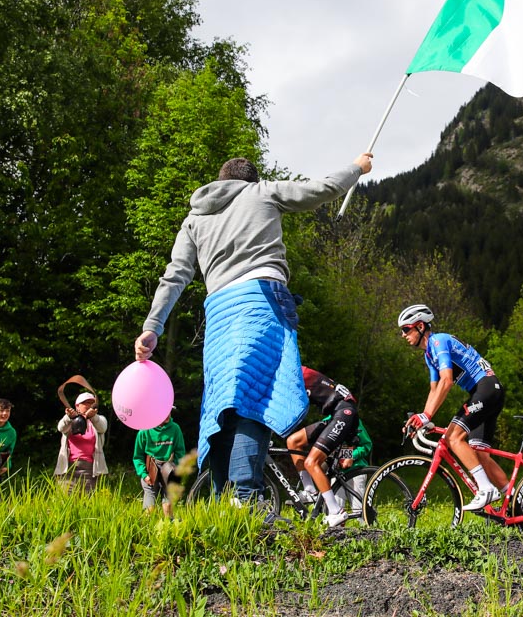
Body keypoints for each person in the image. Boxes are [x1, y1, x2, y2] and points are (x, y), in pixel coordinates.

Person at [134, 153, 373, 503]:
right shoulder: (260, 192)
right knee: (256, 399)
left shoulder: (195, 218)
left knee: (223, 407)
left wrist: (152, 326)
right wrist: (357, 169)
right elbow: (321, 189)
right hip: (261, 301)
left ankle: (223, 501)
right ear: (248, 179)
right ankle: (247, 497)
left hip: (218, 315)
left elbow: (175, 275)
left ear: (220, 180)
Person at [397, 303, 508, 511]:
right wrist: (424, 417)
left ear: (420, 326)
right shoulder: (429, 354)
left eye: (406, 329)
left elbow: (446, 381)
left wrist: (427, 415)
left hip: (485, 388)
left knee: (453, 437)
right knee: (479, 453)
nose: (403, 335)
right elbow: (434, 389)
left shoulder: (438, 342)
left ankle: (485, 489)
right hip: (490, 390)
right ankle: (516, 500)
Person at [286, 366, 362, 527]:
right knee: (293, 441)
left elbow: (363, 440)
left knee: (311, 462)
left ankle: (336, 512)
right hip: (336, 414)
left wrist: (350, 456)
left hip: (345, 414)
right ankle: (310, 490)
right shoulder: (295, 372)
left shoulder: (295, 372)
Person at [133, 413, 187, 517]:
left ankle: (169, 527)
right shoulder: (144, 431)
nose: (167, 414)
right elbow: (138, 456)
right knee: (149, 509)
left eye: (169, 411)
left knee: (168, 505)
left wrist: (176, 470)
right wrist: (144, 474)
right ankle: (146, 528)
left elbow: (180, 452)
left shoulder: (175, 428)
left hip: (169, 468)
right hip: (151, 468)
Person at [55, 392, 108, 493]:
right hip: (69, 469)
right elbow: (61, 428)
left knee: (88, 503)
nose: (89, 405)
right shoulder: (71, 419)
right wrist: (69, 417)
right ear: (77, 406)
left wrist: (93, 417)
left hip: (91, 470)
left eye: (92, 403)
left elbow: (102, 428)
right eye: (85, 403)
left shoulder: (99, 420)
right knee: (67, 502)